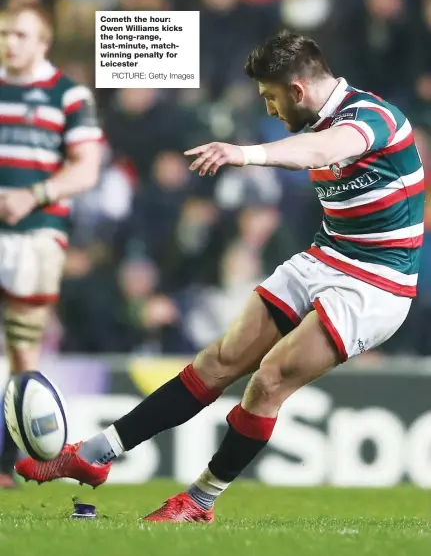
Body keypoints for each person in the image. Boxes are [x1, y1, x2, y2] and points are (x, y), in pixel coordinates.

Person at [16, 30, 423, 521]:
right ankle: (93, 456)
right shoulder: (319, 118)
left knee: (268, 381)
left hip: (376, 284)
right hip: (327, 256)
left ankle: (200, 500)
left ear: (296, 90)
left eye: (271, 97)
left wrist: (245, 153)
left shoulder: (371, 118)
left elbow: (321, 151)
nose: (270, 109)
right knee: (219, 360)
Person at [0, 4, 102, 487]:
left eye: (20, 34)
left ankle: (8, 465)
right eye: (4, 34)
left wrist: (32, 195)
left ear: (43, 41)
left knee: (23, 350)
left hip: (37, 235)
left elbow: (86, 168)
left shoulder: (68, 93)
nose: (9, 42)